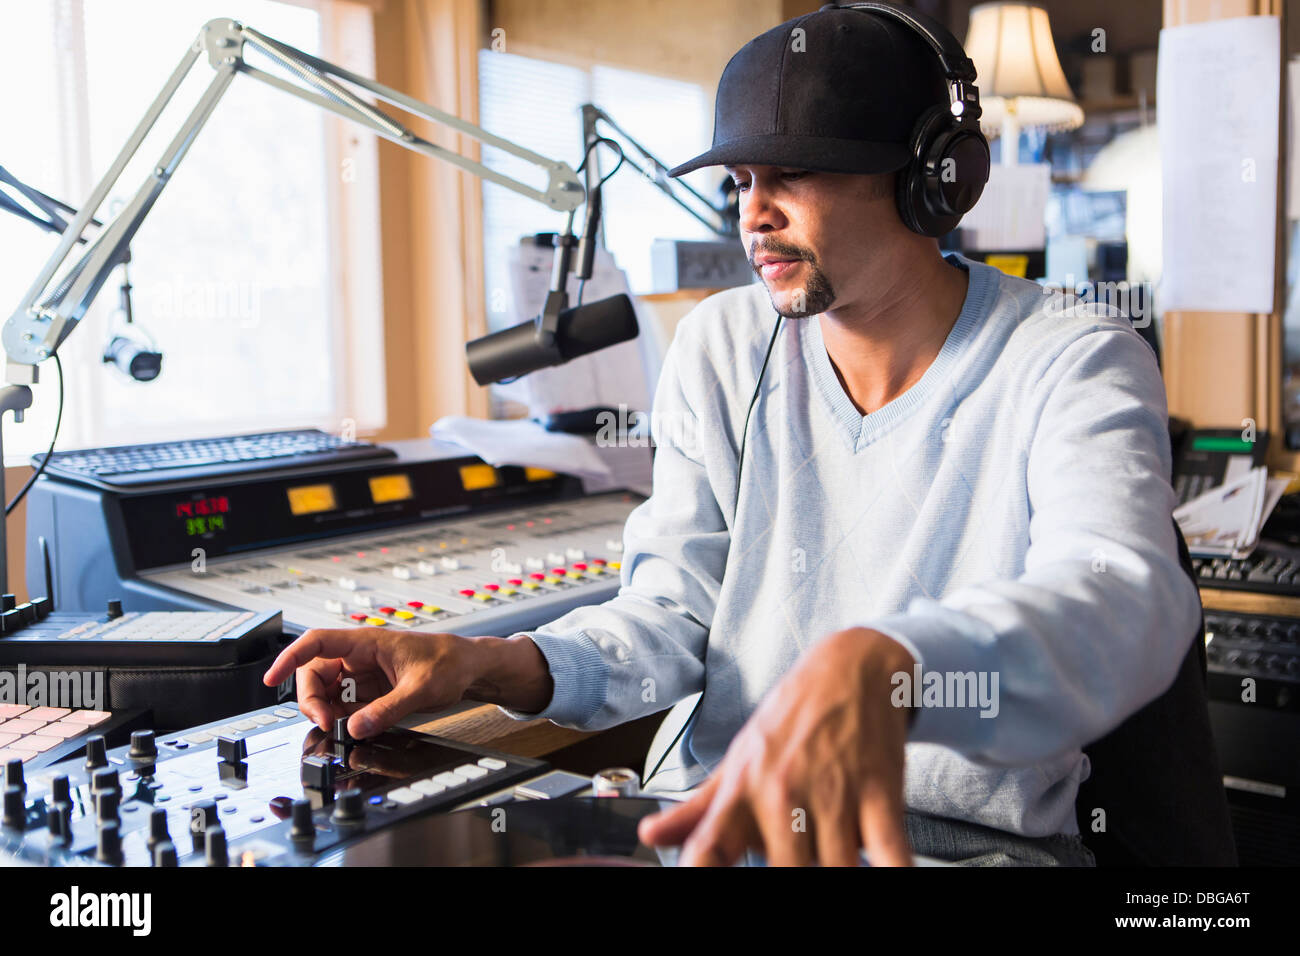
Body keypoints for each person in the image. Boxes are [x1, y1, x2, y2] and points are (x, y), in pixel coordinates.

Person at [263, 4, 1201, 866]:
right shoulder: (722, 343)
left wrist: (900, 667)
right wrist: (490, 663)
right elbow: (672, 615)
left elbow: (1120, 606)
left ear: (931, 179)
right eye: (743, 179)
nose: (753, 212)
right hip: (713, 829)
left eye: (794, 173)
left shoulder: (1075, 359)